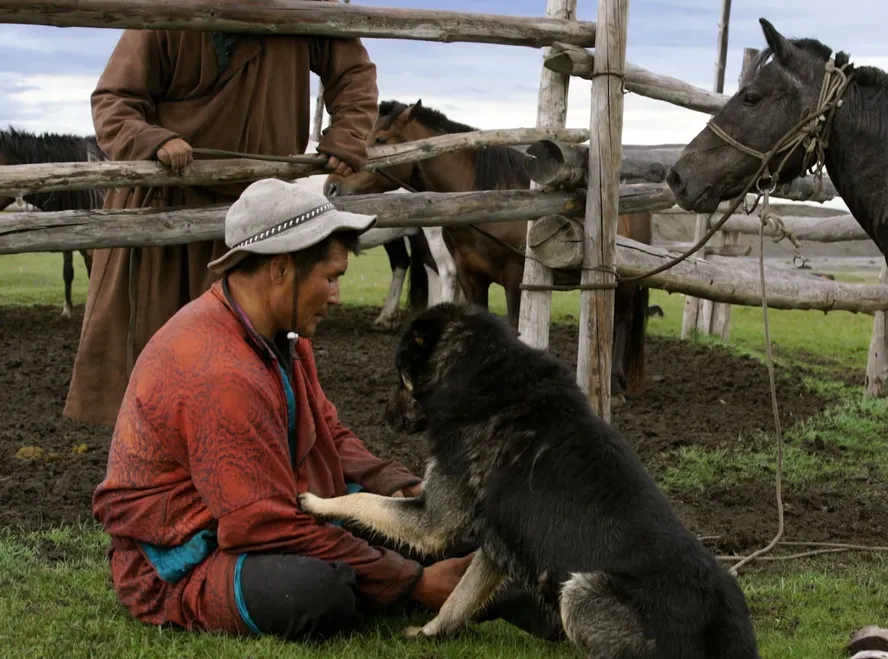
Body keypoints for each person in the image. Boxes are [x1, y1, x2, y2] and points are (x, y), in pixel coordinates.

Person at [91, 179, 561, 641]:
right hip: (186, 558)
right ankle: (474, 593)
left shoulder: (284, 338)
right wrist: (413, 582)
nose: (337, 295)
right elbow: (263, 525)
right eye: (331, 277)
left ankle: (569, 608)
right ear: (280, 270)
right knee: (318, 591)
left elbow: (330, 436)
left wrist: (401, 488)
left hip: (275, 511)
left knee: (455, 531)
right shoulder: (218, 371)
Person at [65, 10, 379, 427]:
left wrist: (349, 133)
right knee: (161, 363)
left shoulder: (301, 6)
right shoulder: (169, 9)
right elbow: (114, 100)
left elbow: (353, 72)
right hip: (169, 209)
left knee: (252, 365)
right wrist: (152, 140)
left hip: (259, 218)